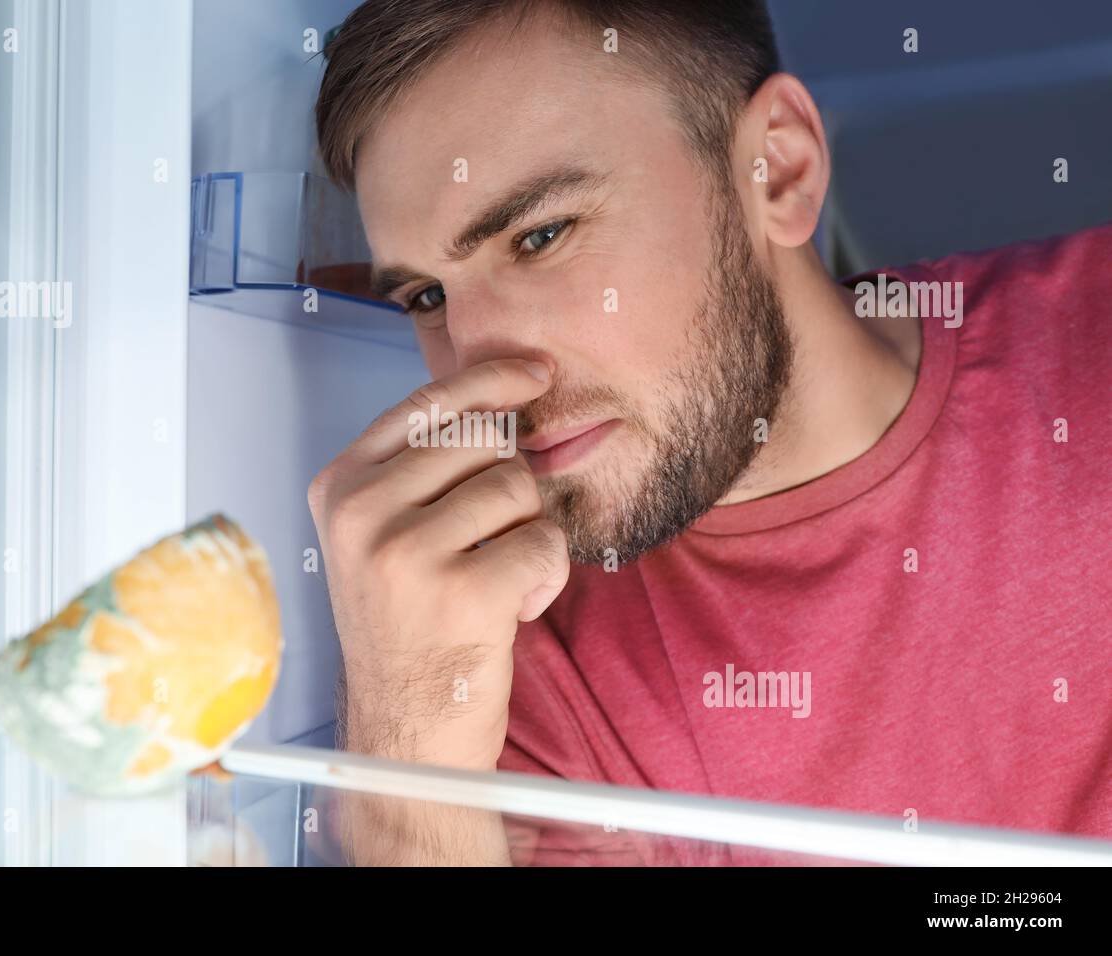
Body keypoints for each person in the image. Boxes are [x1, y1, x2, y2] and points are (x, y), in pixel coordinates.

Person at [308, 0, 1112, 864]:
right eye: (428, 297)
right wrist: (407, 743)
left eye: (540, 235)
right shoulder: (524, 656)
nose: (477, 371)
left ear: (778, 171)